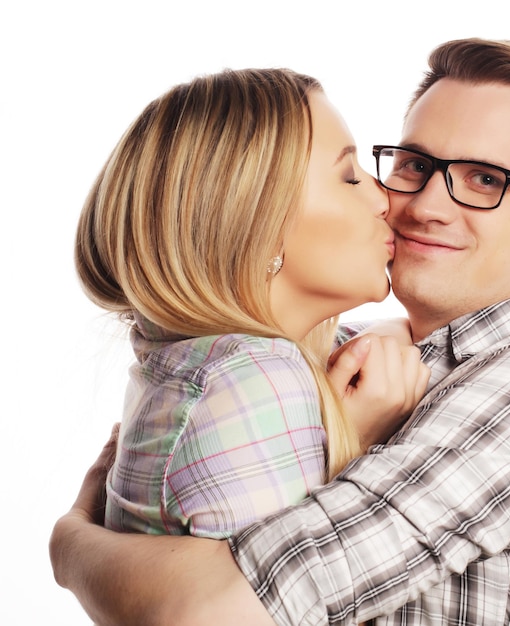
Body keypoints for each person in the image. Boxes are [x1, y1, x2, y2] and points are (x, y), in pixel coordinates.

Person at [50, 38, 510, 625]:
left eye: (484, 180)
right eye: (415, 166)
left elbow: (214, 612)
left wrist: (70, 546)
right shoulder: (310, 354)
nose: (426, 204)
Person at [71, 67, 429, 541]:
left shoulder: (191, 361)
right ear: (255, 224)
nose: (383, 197)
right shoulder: (258, 381)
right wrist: (358, 446)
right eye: (347, 176)